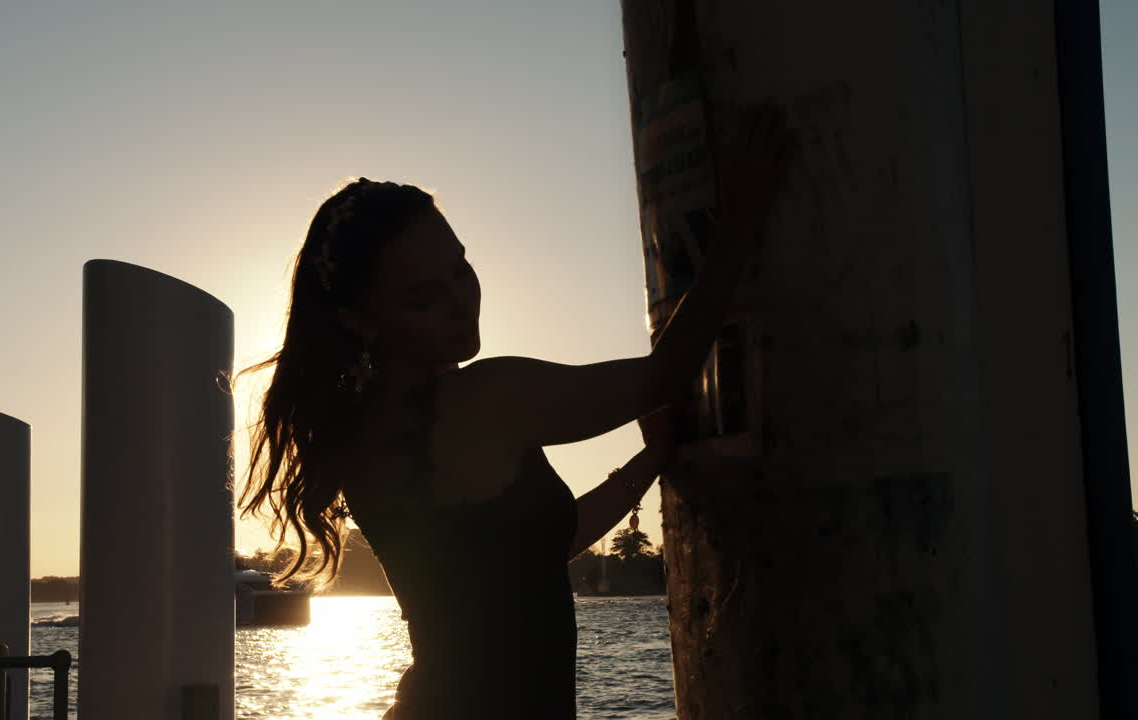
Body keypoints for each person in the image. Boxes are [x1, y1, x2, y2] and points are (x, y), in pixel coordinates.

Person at [234, 99, 795, 719]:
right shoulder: (486, 399)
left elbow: (533, 554)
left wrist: (650, 461)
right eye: (423, 296)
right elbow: (666, 373)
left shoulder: (362, 431)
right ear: (359, 319)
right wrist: (741, 218)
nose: (459, 300)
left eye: (460, 267)